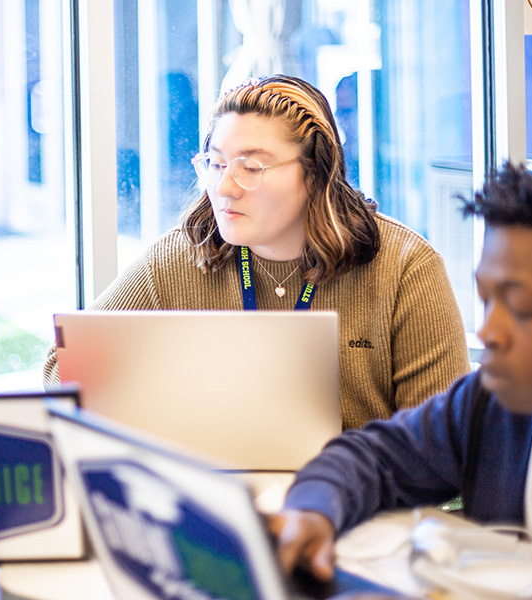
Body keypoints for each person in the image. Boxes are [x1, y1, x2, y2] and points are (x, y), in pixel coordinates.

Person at [44, 74, 470, 429]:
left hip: (364, 511)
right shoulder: (176, 259)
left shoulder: (405, 266)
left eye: (251, 167)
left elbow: (442, 444)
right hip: (217, 502)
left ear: (316, 173)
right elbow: (60, 376)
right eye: (215, 164)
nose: (225, 188)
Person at [271, 152, 532, 582]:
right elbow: (373, 456)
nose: (488, 332)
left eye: (519, 306)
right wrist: (312, 510)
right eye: (485, 301)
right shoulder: (487, 404)